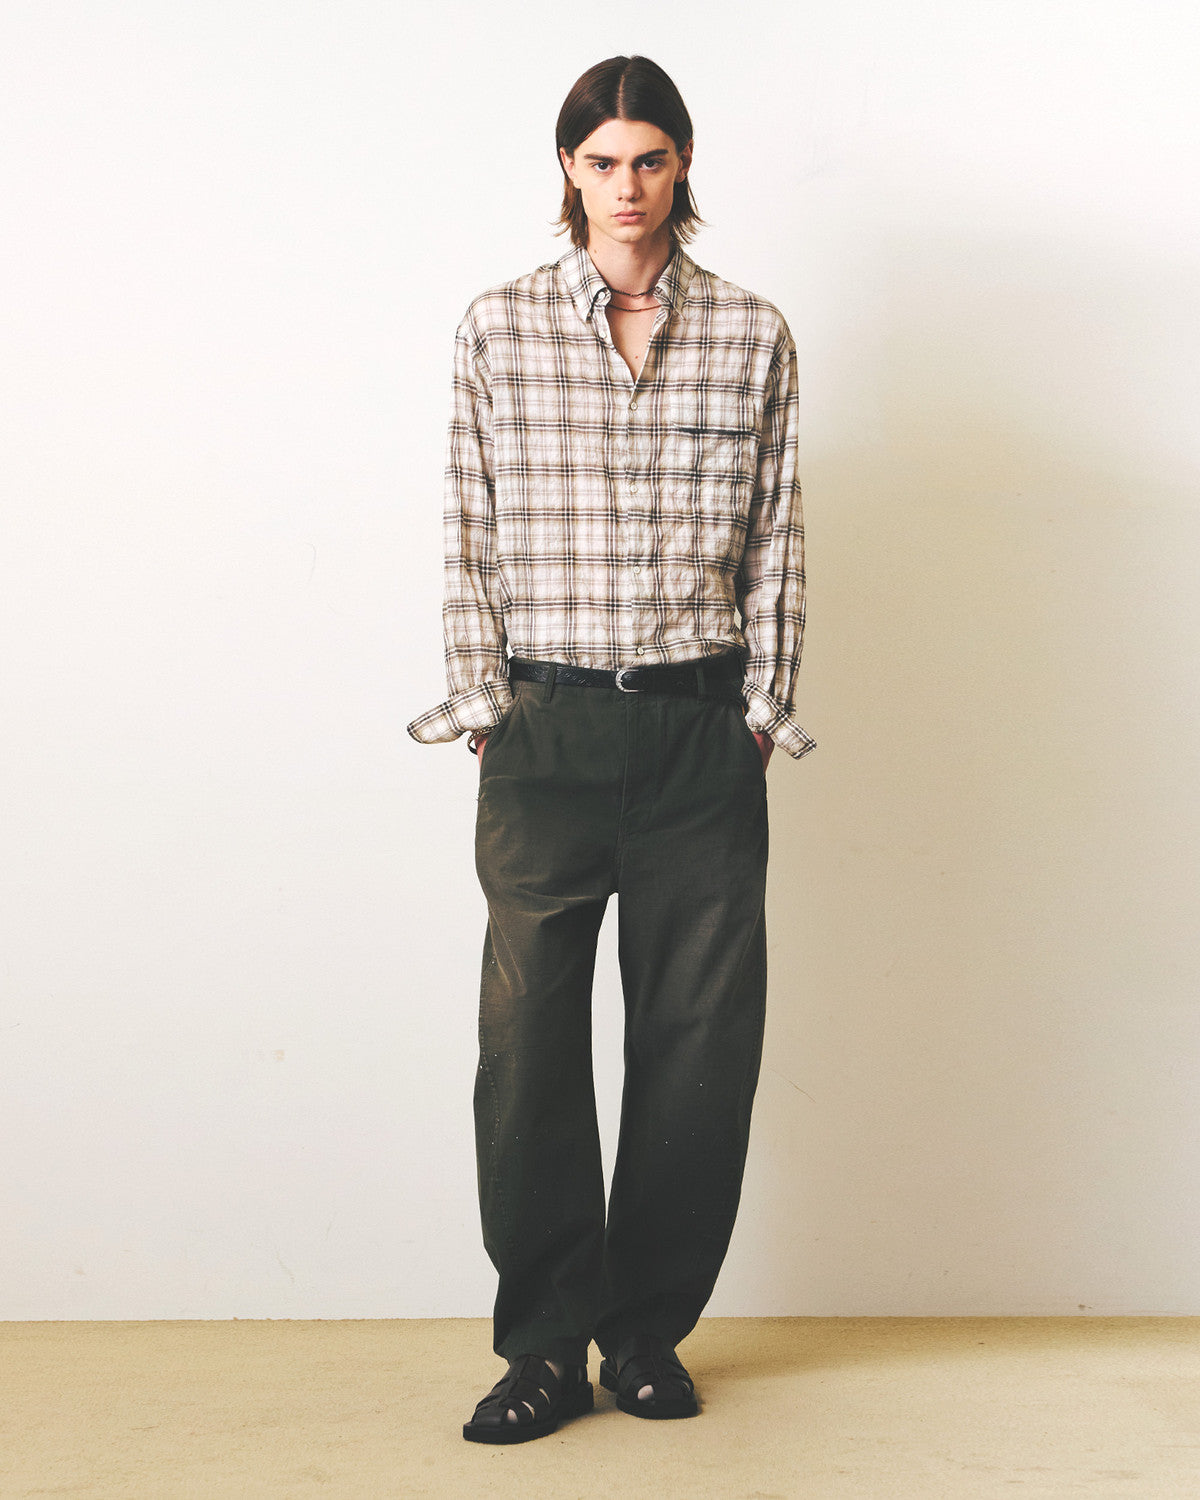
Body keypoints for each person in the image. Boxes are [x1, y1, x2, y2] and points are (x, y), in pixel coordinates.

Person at [407, 54, 814, 1443]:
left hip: (702, 728)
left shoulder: (752, 334)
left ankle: (644, 1335)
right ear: (567, 171)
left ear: (682, 166)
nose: (626, 188)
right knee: (527, 1043)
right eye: (601, 162)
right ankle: (540, 1347)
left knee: (698, 1046)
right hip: (547, 725)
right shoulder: (500, 327)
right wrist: (485, 704)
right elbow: (467, 526)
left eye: (649, 160)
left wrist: (761, 712)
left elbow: (777, 533)